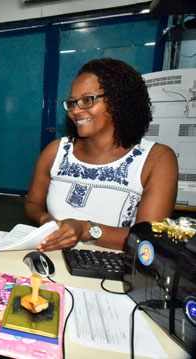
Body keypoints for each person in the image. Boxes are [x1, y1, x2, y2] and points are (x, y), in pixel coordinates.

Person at [24, 58, 178, 251]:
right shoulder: (55, 152)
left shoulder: (157, 160)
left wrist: (86, 230)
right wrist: (46, 220)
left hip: (116, 273)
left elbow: (148, 240)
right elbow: (32, 204)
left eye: (87, 100)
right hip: (53, 258)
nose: (76, 111)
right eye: (72, 103)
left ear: (118, 100)